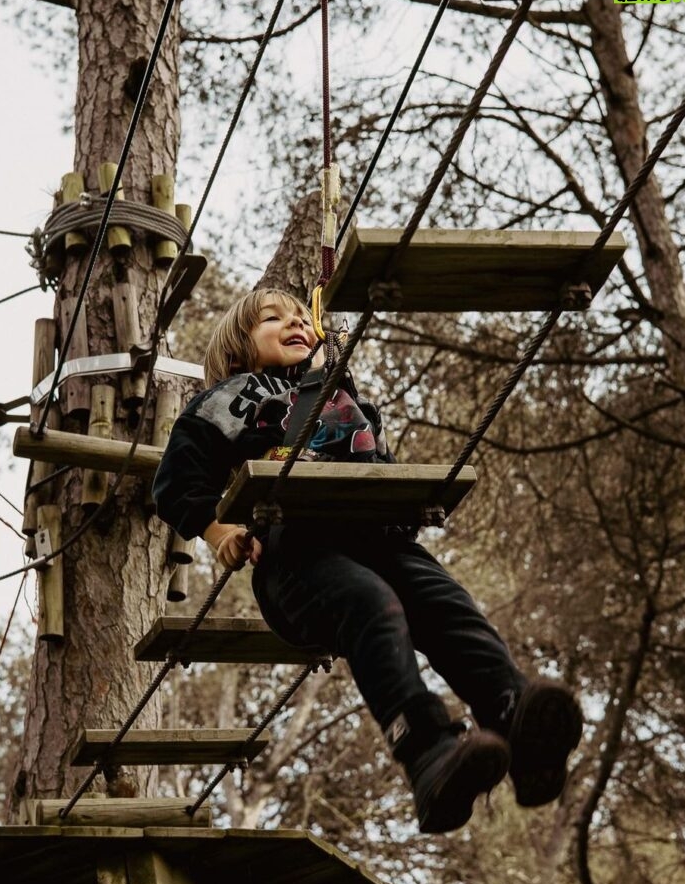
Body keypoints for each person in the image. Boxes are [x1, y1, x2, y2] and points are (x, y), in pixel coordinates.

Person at [154, 288, 583, 833]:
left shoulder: (343, 399)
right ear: (238, 351)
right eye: (272, 319)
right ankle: (426, 750)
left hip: (376, 538)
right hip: (298, 556)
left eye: (301, 320)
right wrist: (219, 532)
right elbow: (176, 482)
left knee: (444, 602)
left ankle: (513, 717)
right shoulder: (231, 398)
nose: (295, 325)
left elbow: (379, 469)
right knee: (370, 603)